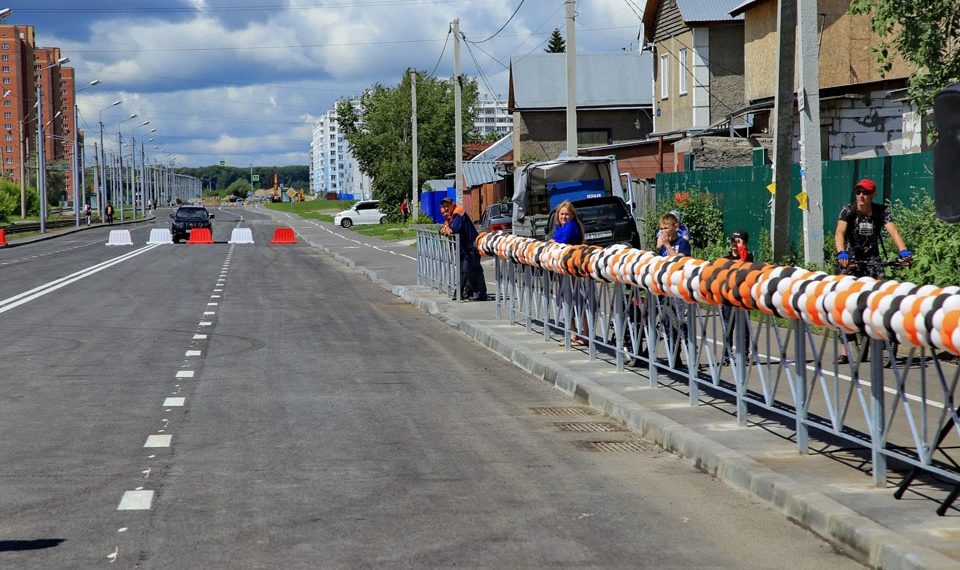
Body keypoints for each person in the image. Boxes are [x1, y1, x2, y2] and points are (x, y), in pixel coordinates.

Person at [834, 178, 912, 365]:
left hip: (873, 261)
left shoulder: (880, 211)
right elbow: (839, 233)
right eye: (859, 192)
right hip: (851, 261)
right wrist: (841, 253)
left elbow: (893, 232)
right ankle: (845, 350)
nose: (861, 196)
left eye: (866, 192)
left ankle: (885, 341)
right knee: (843, 302)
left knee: (882, 299)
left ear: (873, 195)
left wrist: (903, 251)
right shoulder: (848, 210)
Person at [550, 201, 588, 344]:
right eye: (562, 214)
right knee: (567, 300)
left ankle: (585, 335)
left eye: (567, 214)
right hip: (565, 269)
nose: (564, 217)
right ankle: (574, 334)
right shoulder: (560, 226)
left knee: (579, 300)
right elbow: (556, 240)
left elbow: (562, 241)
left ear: (572, 215)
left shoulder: (571, 225)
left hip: (574, 269)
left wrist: (555, 242)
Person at [439, 197, 487, 301]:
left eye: (447, 206)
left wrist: (448, 230)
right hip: (463, 248)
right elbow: (443, 229)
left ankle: (480, 293)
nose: (445, 209)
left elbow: (455, 229)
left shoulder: (458, 212)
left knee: (470, 269)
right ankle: (462, 292)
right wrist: (445, 229)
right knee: (463, 270)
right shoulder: (450, 217)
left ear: (452, 204)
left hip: (471, 246)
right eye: (443, 208)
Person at [722, 229, 754, 365]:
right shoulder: (726, 258)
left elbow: (744, 262)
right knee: (728, 326)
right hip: (728, 297)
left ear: (745, 242)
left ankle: (744, 354)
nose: (734, 244)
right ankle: (727, 354)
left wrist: (741, 248)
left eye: (738, 241)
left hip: (743, 297)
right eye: (732, 241)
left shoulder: (749, 257)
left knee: (744, 326)